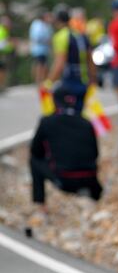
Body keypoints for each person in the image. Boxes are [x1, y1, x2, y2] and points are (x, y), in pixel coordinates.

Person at [30, 84, 103, 215]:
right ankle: (91, 196)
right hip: (90, 180)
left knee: (34, 160)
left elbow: (36, 151)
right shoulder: (87, 122)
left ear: (54, 101)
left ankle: (40, 205)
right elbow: (96, 153)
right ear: (73, 102)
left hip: (64, 180)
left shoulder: (47, 121)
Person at [46, 8, 95, 117]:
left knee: (65, 115)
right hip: (83, 82)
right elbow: (90, 60)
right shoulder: (81, 35)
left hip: (68, 82)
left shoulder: (60, 36)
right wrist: (93, 79)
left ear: (57, 21)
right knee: (79, 114)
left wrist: (49, 82)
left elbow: (59, 63)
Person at [30, 11, 53, 85]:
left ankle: (42, 80)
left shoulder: (47, 25)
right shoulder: (37, 25)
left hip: (45, 49)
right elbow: (37, 37)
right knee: (39, 65)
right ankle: (38, 80)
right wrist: (47, 41)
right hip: (38, 49)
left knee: (43, 65)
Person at [0, 15, 14, 90]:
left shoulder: (4, 31)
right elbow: (2, 44)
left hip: (3, 53)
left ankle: (2, 85)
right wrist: (11, 45)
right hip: (1, 54)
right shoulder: (2, 31)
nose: (9, 24)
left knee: (3, 70)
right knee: (2, 70)